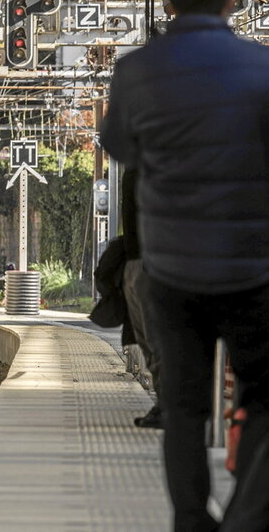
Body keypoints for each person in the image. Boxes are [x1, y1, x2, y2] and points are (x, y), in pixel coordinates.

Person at [101, 0, 269, 531]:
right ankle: (253, 512)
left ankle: (193, 522)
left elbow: (121, 149)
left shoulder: (136, 71)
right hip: (253, 269)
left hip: (172, 272)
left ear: (169, 2)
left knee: (184, 406)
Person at [122, 167, 163, 429]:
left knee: (157, 337)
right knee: (147, 338)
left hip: (158, 258)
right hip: (136, 257)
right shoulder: (137, 161)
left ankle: (171, 405)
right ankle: (166, 402)